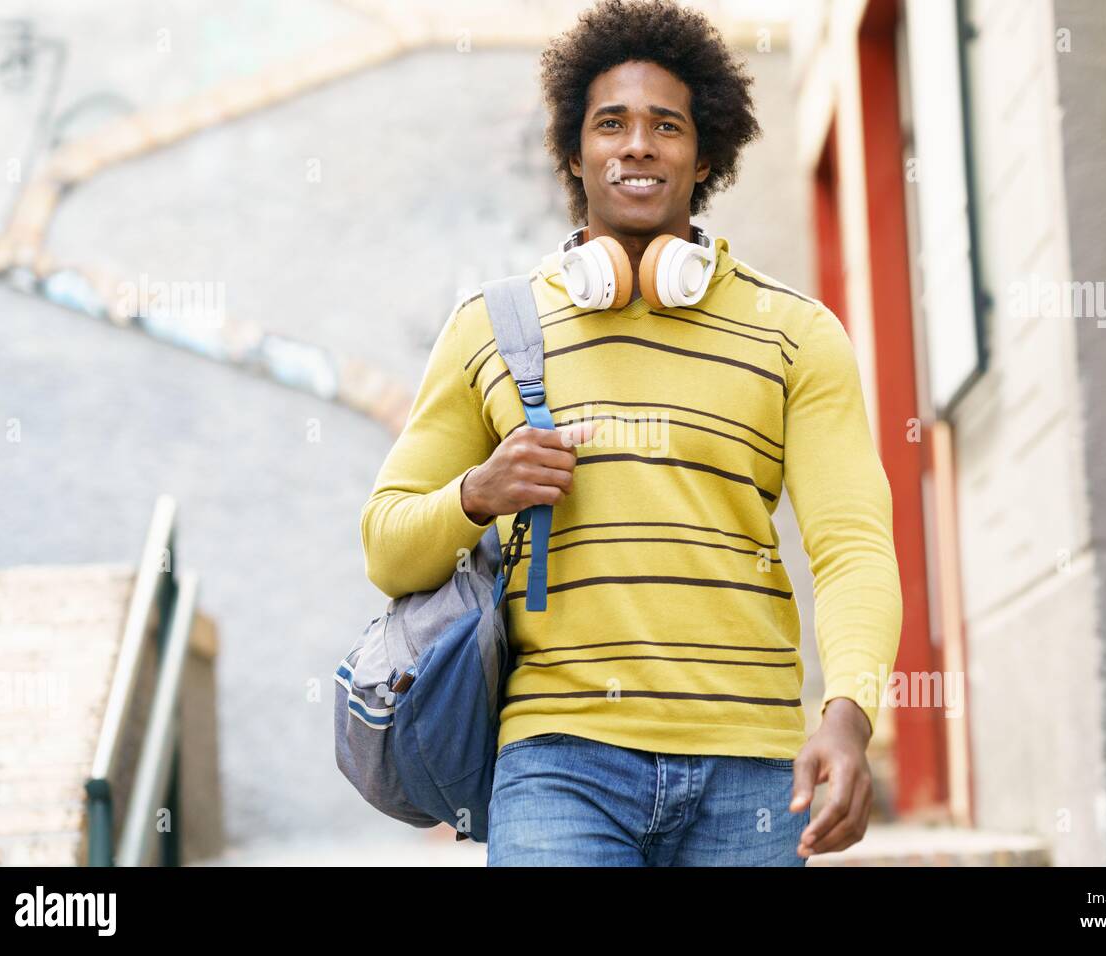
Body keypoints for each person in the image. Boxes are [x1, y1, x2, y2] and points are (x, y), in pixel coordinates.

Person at [360, 0, 903, 866]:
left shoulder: (797, 333)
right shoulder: (490, 328)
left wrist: (848, 718)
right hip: (557, 765)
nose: (638, 144)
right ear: (575, 152)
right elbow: (386, 546)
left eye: (667, 125)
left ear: (707, 154)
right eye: (610, 123)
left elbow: (852, 550)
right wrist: (478, 494)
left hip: (754, 769)